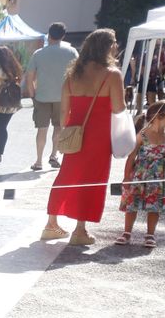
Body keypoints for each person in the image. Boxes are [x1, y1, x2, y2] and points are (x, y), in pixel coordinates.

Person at [42, 28, 126, 246]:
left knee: (66, 176)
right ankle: (80, 230)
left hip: (74, 133)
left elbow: (63, 112)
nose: (116, 45)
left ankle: (51, 223)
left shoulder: (73, 74)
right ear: (106, 47)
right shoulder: (112, 74)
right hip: (99, 136)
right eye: (114, 42)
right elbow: (119, 108)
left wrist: (66, 131)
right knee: (92, 180)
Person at [115, 100, 165, 249]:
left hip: (159, 178)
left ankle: (150, 234)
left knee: (155, 206)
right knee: (132, 204)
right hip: (139, 176)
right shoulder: (142, 135)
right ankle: (127, 232)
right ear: (159, 116)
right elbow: (132, 157)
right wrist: (126, 176)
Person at [24, 22, 78, 172]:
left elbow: (30, 77)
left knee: (42, 129)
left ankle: (39, 160)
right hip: (63, 97)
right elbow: (77, 75)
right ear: (63, 36)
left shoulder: (38, 54)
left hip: (42, 96)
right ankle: (54, 155)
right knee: (58, 127)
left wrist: (32, 94)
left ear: (49, 34)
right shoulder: (72, 52)